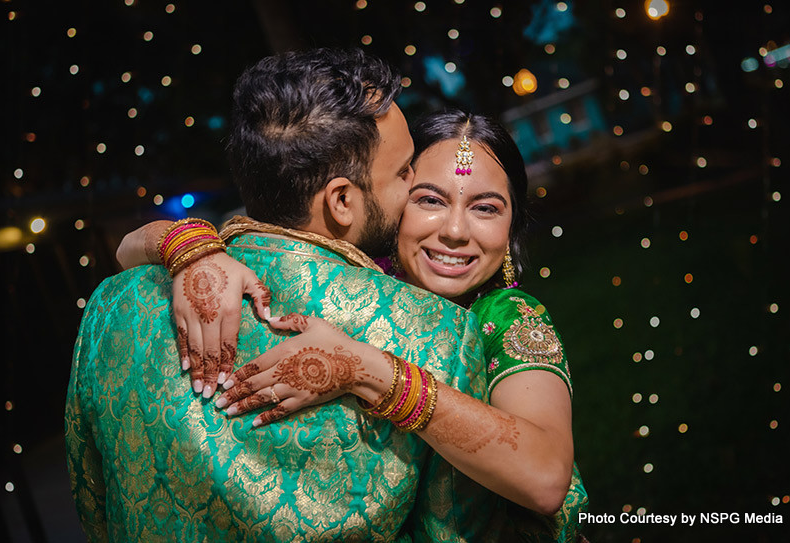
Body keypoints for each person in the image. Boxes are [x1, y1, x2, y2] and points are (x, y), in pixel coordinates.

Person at [65, 48, 496, 542]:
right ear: (341, 200)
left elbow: (94, 502)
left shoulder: (111, 307)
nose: (416, 182)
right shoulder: (436, 332)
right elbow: (453, 531)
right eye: (403, 172)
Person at [121, 111, 589, 541]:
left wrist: (367, 370)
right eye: (430, 200)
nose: (455, 230)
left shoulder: (508, 316)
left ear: (511, 227)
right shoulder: (355, 286)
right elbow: (125, 250)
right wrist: (191, 249)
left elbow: (546, 480)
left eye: (486, 208)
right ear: (394, 198)